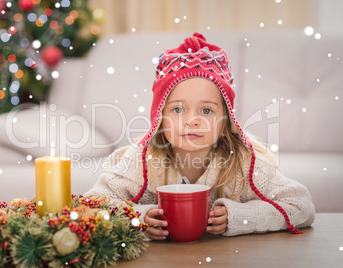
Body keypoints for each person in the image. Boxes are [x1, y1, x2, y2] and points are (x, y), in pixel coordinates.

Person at [85, 33, 315, 239]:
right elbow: (90, 206)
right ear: (160, 119)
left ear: (226, 122)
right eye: (177, 109)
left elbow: (301, 206)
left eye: (206, 110)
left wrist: (243, 218)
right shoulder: (139, 162)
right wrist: (138, 219)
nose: (192, 120)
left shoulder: (246, 162)